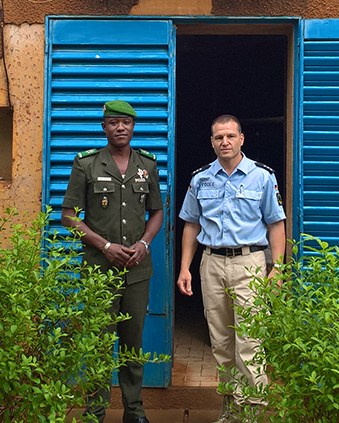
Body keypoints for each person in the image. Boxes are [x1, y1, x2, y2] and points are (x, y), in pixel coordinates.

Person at [177, 115, 286, 423]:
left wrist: (277, 268)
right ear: (212, 142)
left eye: (230, 136)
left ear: (241, 139)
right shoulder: (201, 179)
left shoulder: (262, 177)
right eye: (218, 137)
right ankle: (232, 408)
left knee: (250, 340)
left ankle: (253, 410)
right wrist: (185, 267)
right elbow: (191, 224)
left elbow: (276, 224)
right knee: (221, 341)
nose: (224, 141)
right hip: (211, 263)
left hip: (249, 263)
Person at [62, 100, 164, 423]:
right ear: (103, 127)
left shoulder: (147, 165)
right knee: (99, 344)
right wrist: (104, 245)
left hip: (137, 272)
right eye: (114, 122)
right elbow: (68, 217)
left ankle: (134, 410)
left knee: (132, 344)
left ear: (134, 127)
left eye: (126, 122)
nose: (121, 128)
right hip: (98, 272)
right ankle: (95, 411)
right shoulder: (86, 165)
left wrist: (144, 244)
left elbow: (157, 212)